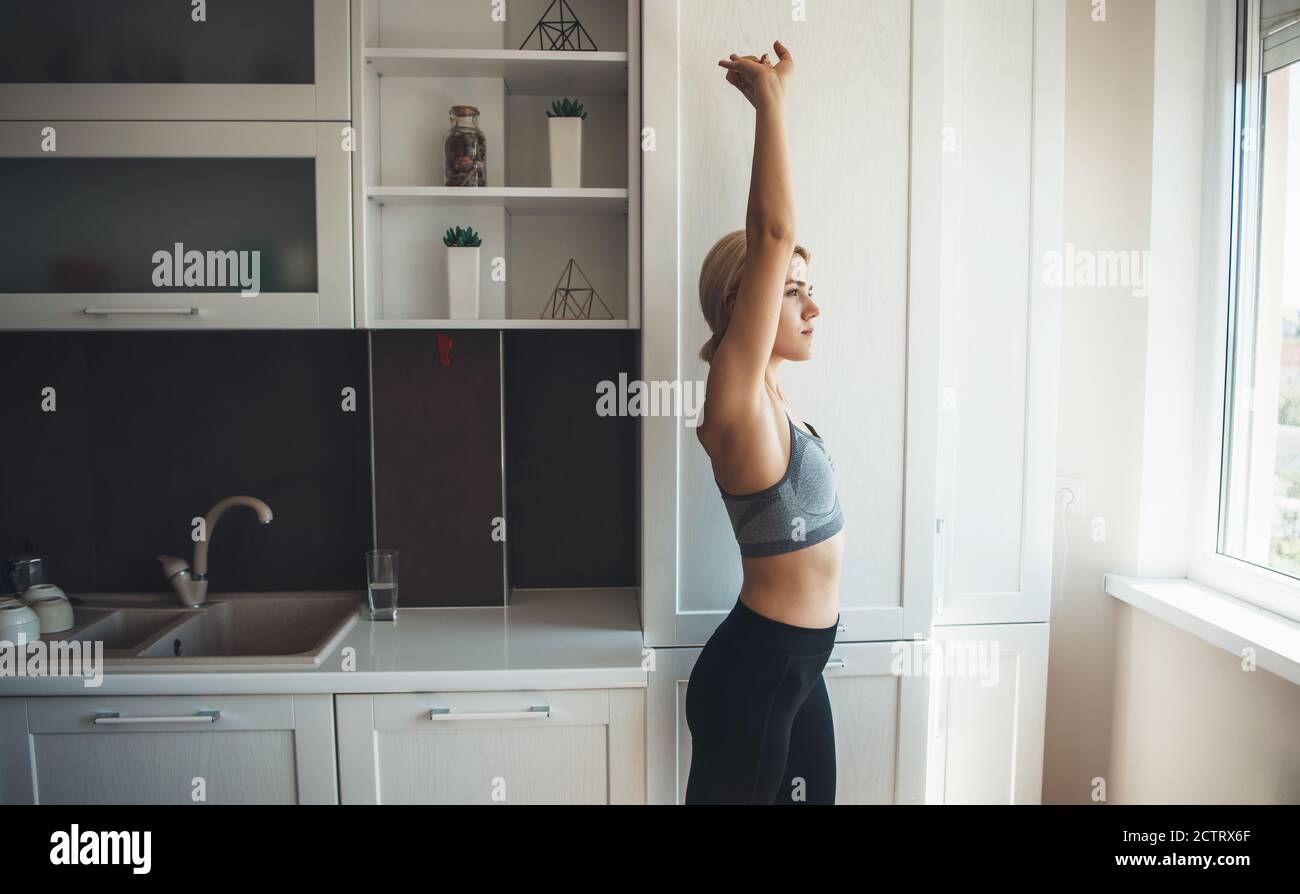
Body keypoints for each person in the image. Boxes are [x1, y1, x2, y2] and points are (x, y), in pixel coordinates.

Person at [684, 40, 845, 805]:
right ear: (740, 305)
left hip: (798, 666)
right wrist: (772, 104)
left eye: (810, 289)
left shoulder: (780, 401)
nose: (811, 305)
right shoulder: (735, 402)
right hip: (756, 675)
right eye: (790, 291)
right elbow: (772, 232)